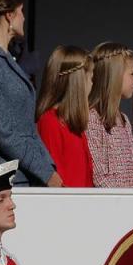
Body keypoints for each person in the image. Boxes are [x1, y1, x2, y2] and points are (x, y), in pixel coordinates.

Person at [0, 0, 62, 187]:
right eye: (20, 10)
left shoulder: (4, 59)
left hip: (25, 172)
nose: (23, 17)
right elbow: (3, 131)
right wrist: (46, 172)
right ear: (9, 15)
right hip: (9, 177)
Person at [87, 42, 133, 188]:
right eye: (132, 74)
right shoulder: (92, 120)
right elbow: (99, 176)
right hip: (112, 206)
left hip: (132, 204)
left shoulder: (124, 120)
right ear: (114, 76)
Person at [36, 46, 94, 187]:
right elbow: (57, 182)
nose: (93, 84)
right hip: (67, 206)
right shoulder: (50, 122)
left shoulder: (74, 124)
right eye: (91, 78)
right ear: (78, 82)